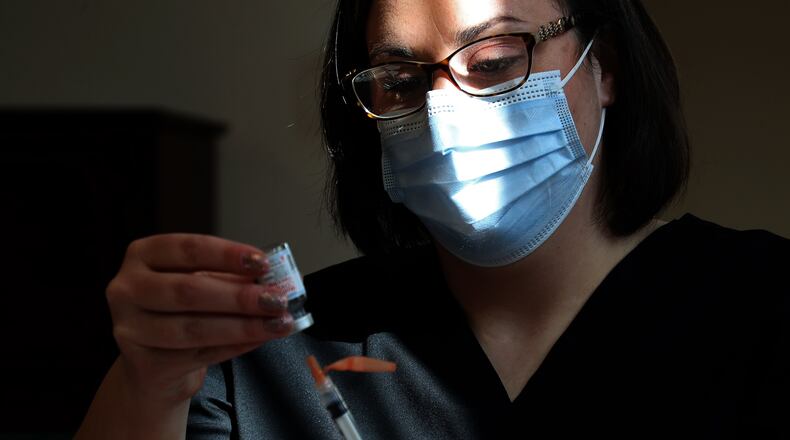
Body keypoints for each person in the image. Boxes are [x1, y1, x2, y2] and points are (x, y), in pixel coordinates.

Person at [76, 0, 789, 438]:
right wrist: (149, 385)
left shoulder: (763, 306)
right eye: (400, 80)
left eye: (495, 60)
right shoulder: (271, 354)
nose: (445, 114)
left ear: (604, 66)